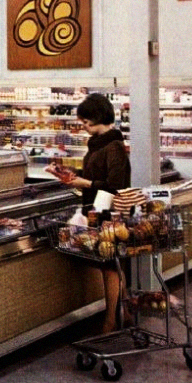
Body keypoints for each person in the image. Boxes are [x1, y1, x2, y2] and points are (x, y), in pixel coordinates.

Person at [62, 93, 131, 333]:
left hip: (109, 216)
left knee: (109, 267)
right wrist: (74, 177)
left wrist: (85, 184)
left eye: (85, 121)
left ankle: (110, 321)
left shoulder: (114, 147)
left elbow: (116, 184)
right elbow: (94, 176)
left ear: (97, 118)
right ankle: (126, 312)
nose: (82, 126)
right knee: (110, 265)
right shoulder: (98, 144)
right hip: (94, 211)